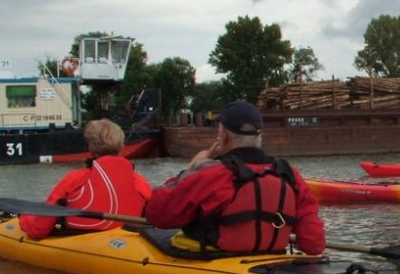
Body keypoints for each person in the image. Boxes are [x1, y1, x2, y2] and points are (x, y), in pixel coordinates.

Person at [144, 100, 325, 255]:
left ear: (223, 136)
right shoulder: (290, 175)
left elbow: (158, 214)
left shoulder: (213, 174)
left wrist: (190, 169)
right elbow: (314, 244)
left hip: (218, 263)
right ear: (260, 136)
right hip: (271, 260)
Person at [19, 119, 152, 239]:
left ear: (90, 147)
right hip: (125, 242)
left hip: (80, 239)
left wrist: (24, 216)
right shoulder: (139, 182)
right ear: (121, 146)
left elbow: (38, 229)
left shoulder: (75, 179)